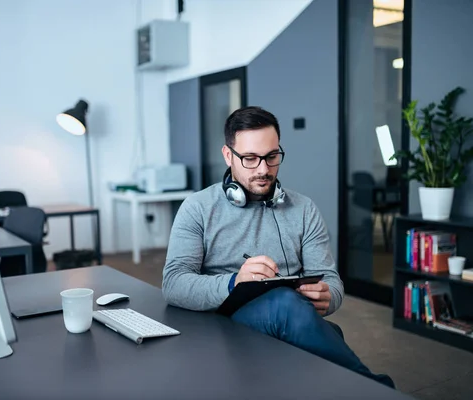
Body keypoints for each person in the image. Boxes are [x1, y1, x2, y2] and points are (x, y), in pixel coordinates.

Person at [162, 106, 395, 389]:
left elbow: (329, 279)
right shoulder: (197, 208)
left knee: (319, 324)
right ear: (228, 155)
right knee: (287, 306)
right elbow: (174, 283)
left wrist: (328, 295)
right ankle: (375, 388)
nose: (263, 169)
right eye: (250, 158)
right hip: (221, 322)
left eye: (272, 157)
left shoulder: (304, 209)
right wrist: (235, 282)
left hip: (291, 315)